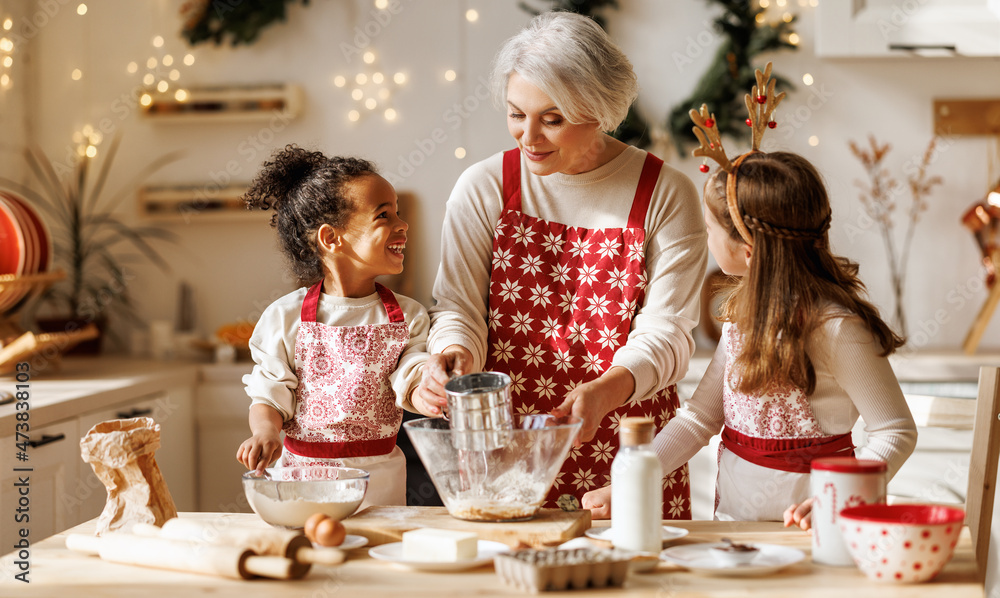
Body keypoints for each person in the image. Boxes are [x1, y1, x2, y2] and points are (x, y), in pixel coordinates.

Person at [412, 12, 708, 518]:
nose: (528, 137)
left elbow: (670, 332)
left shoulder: (664, 193)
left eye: (552, 119)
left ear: (601, 110)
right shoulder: (483, 188)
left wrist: (604, 391)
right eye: (515, 114)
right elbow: (457, 306)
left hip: (629, 445)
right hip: (502, 448)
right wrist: (453, 351)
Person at [582, 150, 918, 526]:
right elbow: (698, 419)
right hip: (735, 534)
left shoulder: (837, 328)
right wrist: (628, 481)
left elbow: (895, 430)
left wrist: (841, 498)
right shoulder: (741, 321)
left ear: (748, 250)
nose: (706, 239)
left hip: (817, 534)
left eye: (709, 231)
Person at [236, 145, 429, 507]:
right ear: (331, 238)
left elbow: (412, 378)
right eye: (383, 215)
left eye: (399, 213)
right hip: (304, 480)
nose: (402, 225)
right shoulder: (286, 317)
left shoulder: (408, 316)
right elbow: (269, 393)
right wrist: (264, 432)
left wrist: (430, 391)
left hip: (382, 480)